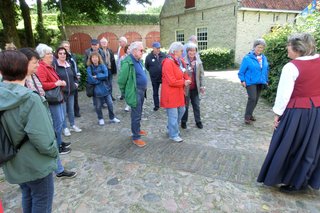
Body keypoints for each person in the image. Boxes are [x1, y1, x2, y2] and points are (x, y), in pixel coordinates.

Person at [257, 33, 320, 192]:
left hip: (298, 113)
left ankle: (290, 180)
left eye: (289, 45)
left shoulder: (291, 67)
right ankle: (303, 180)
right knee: (311, 146)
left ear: (298, 49)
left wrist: (277, 114)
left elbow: (284, 94)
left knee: (290, 145)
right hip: (317, 111)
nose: (287, 48)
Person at [0, 50, 58, 212]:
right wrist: (54, 152)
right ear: (24, 68)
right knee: (41, 201)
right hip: (35, 164)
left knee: (27, 194)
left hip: (12, 161)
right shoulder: (30, 99)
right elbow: (43, 139)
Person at [118, 41, 148, 148]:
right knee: (135, 115)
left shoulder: (138, 60)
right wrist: (125, 92)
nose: (142, 52)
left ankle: (137, 130)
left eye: (143, 50)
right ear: (134, 50)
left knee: (138, 113)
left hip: (141, 91)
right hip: (135, 92)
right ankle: (136, 137)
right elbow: (121, 80)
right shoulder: (128, 62)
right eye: (141, 50)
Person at [161, 42, 191, 143]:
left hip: (178, 92)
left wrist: (187, 78)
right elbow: (171, 81)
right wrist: (184, 82)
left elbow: (184, 72)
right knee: (173, 115)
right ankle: (173, 134)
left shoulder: (179, 60)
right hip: (170, 93)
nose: (183, 52)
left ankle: (171, 127)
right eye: (181, 51)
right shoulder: (168, 62)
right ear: (175, 51)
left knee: (182, 110)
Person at [238, 38, 269, 124]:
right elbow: (241, 72)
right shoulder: (247, 58)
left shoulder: (264, 58)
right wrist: (242, 80)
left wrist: (266, 80)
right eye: (259, 47)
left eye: (262, 48)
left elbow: (266, 70)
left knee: (256, 99)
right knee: (252, 98)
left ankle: (250, 114)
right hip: (250, 82)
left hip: (260, 82)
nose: (260, 49)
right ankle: (247, 117)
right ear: (254, 47)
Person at [54, 47, 82, 137]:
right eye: (60, 53)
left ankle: (72, 125)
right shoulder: (55, 66)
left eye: (64, 53)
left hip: (71, 92)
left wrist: (76, 83)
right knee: (63, 111)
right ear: (57, 55)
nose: (62, 55)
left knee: (71, 110)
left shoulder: (69, 64)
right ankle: (65, 127)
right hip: (62, 92)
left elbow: (74, 76)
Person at [86, 52, 120, 126]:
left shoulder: (103, 66)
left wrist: (97, 76)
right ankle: (100, 118)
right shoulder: (89, 68)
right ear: (91, 59)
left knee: (110, 104)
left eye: (96, 57)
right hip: (96, 90)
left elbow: (106, 75)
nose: (95, 59)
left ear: (99, 58)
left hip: (105, 89)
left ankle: (112, 117)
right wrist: (100, 78)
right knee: (98, 106)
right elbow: (90, 79)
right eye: (93, 57)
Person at [181, 42, 205, 129]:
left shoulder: (198, 61)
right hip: (186, 88)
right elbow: (182, 74)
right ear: (187, 51)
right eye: (190, 51)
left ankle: (198, 121)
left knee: (196, 105)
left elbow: (201, 74)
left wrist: (202, 85)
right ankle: (183, 121)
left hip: (195, 88)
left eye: (194, 50)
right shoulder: (183, 61)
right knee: (185, 106)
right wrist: (190, 67)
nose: (192, 52)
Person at [60, 41, 81, 117]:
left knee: (75, 96)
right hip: (66, 79)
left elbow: (75, 66)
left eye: (67, 46)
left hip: (74, 78)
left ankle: (76, 111)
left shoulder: (73, 55)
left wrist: (78, 74)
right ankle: (68, 112)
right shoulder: (62, 56)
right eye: (65, 46)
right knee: (67, 97)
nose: (66, 48)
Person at [145, 42, 166, 111]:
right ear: (153, 48)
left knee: (165, 91)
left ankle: (165, 104)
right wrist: (152, 72)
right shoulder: (148, 57)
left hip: (163, 77)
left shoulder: (164, 55)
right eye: (157, 48)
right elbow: (147, 66)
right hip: (154, 78)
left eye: (159, 48)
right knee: (155, 92)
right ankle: (156, 105)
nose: (158, 49)